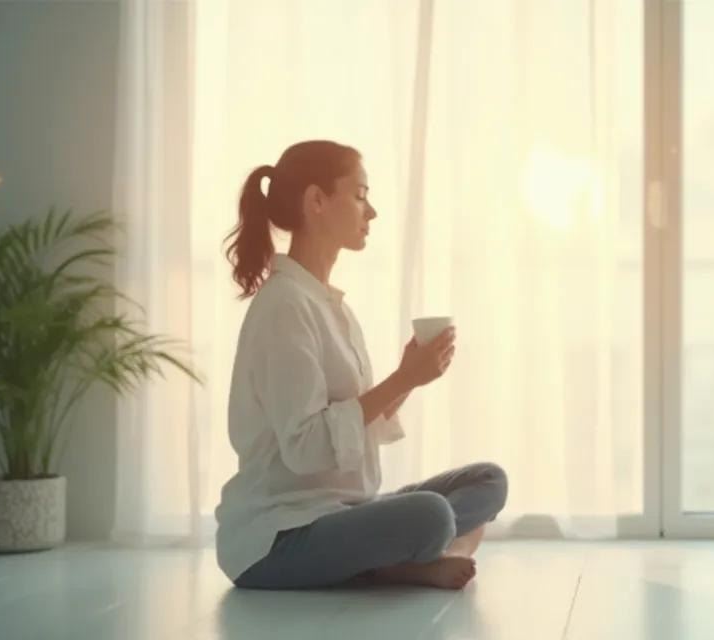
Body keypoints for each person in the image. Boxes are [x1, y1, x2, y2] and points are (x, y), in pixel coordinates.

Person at [214, 140, 506, 590]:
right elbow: (305, 447)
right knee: (429, 515)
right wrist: (401, 379)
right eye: (361, 195)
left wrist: (410, 379)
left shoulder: (331, 307)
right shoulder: (284, 307)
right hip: (279, 537)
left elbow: (356, 422)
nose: (372, 213)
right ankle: (410, 557)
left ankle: (421, 553)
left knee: (489, 481)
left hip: (342, 514)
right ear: (317, 201)